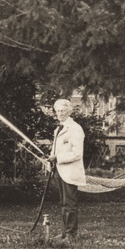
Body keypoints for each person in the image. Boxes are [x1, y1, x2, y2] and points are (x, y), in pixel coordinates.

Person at [47, 98, 84, 239]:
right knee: (63, 202)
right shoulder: (58, 129)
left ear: (69, 111)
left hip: (70, 171)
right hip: (59, 170)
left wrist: (57, 158)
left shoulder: (75, 129)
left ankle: (71, 234)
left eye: (63, 111)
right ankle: (65, 231)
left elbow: (77, 154)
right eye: (57, 111)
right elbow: (55, 150)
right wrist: (51, 160)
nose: (60, 113)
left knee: (70, 203)